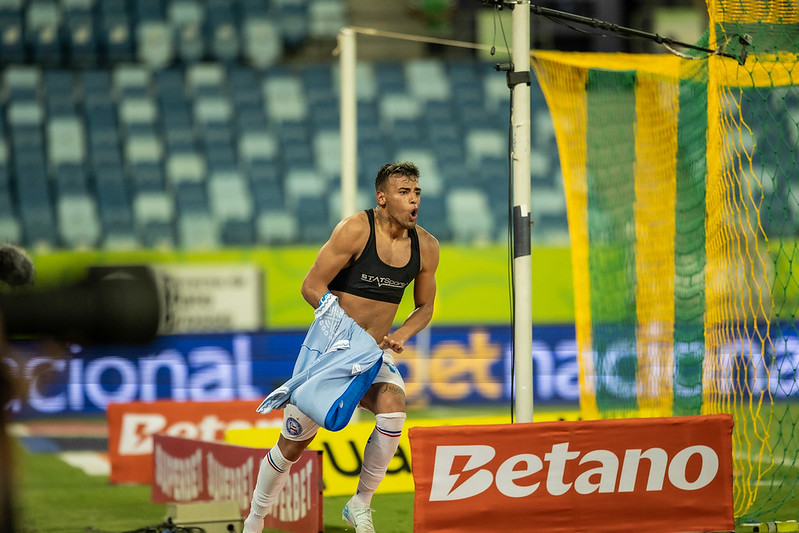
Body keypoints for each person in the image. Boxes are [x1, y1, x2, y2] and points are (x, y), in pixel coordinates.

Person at [244, 161, 440, 533]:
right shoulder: (354, 230)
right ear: (382, 198)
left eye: (417, 193)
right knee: (292, 445)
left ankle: (359, 503)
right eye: (404, 192)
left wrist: (402, 334)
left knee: (393, 409)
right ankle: (255, 518)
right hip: (331, 350)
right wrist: (342, 330)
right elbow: (311, 286)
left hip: (372, 354)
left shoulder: (426, 246)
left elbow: (425, 306)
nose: (414, 200)